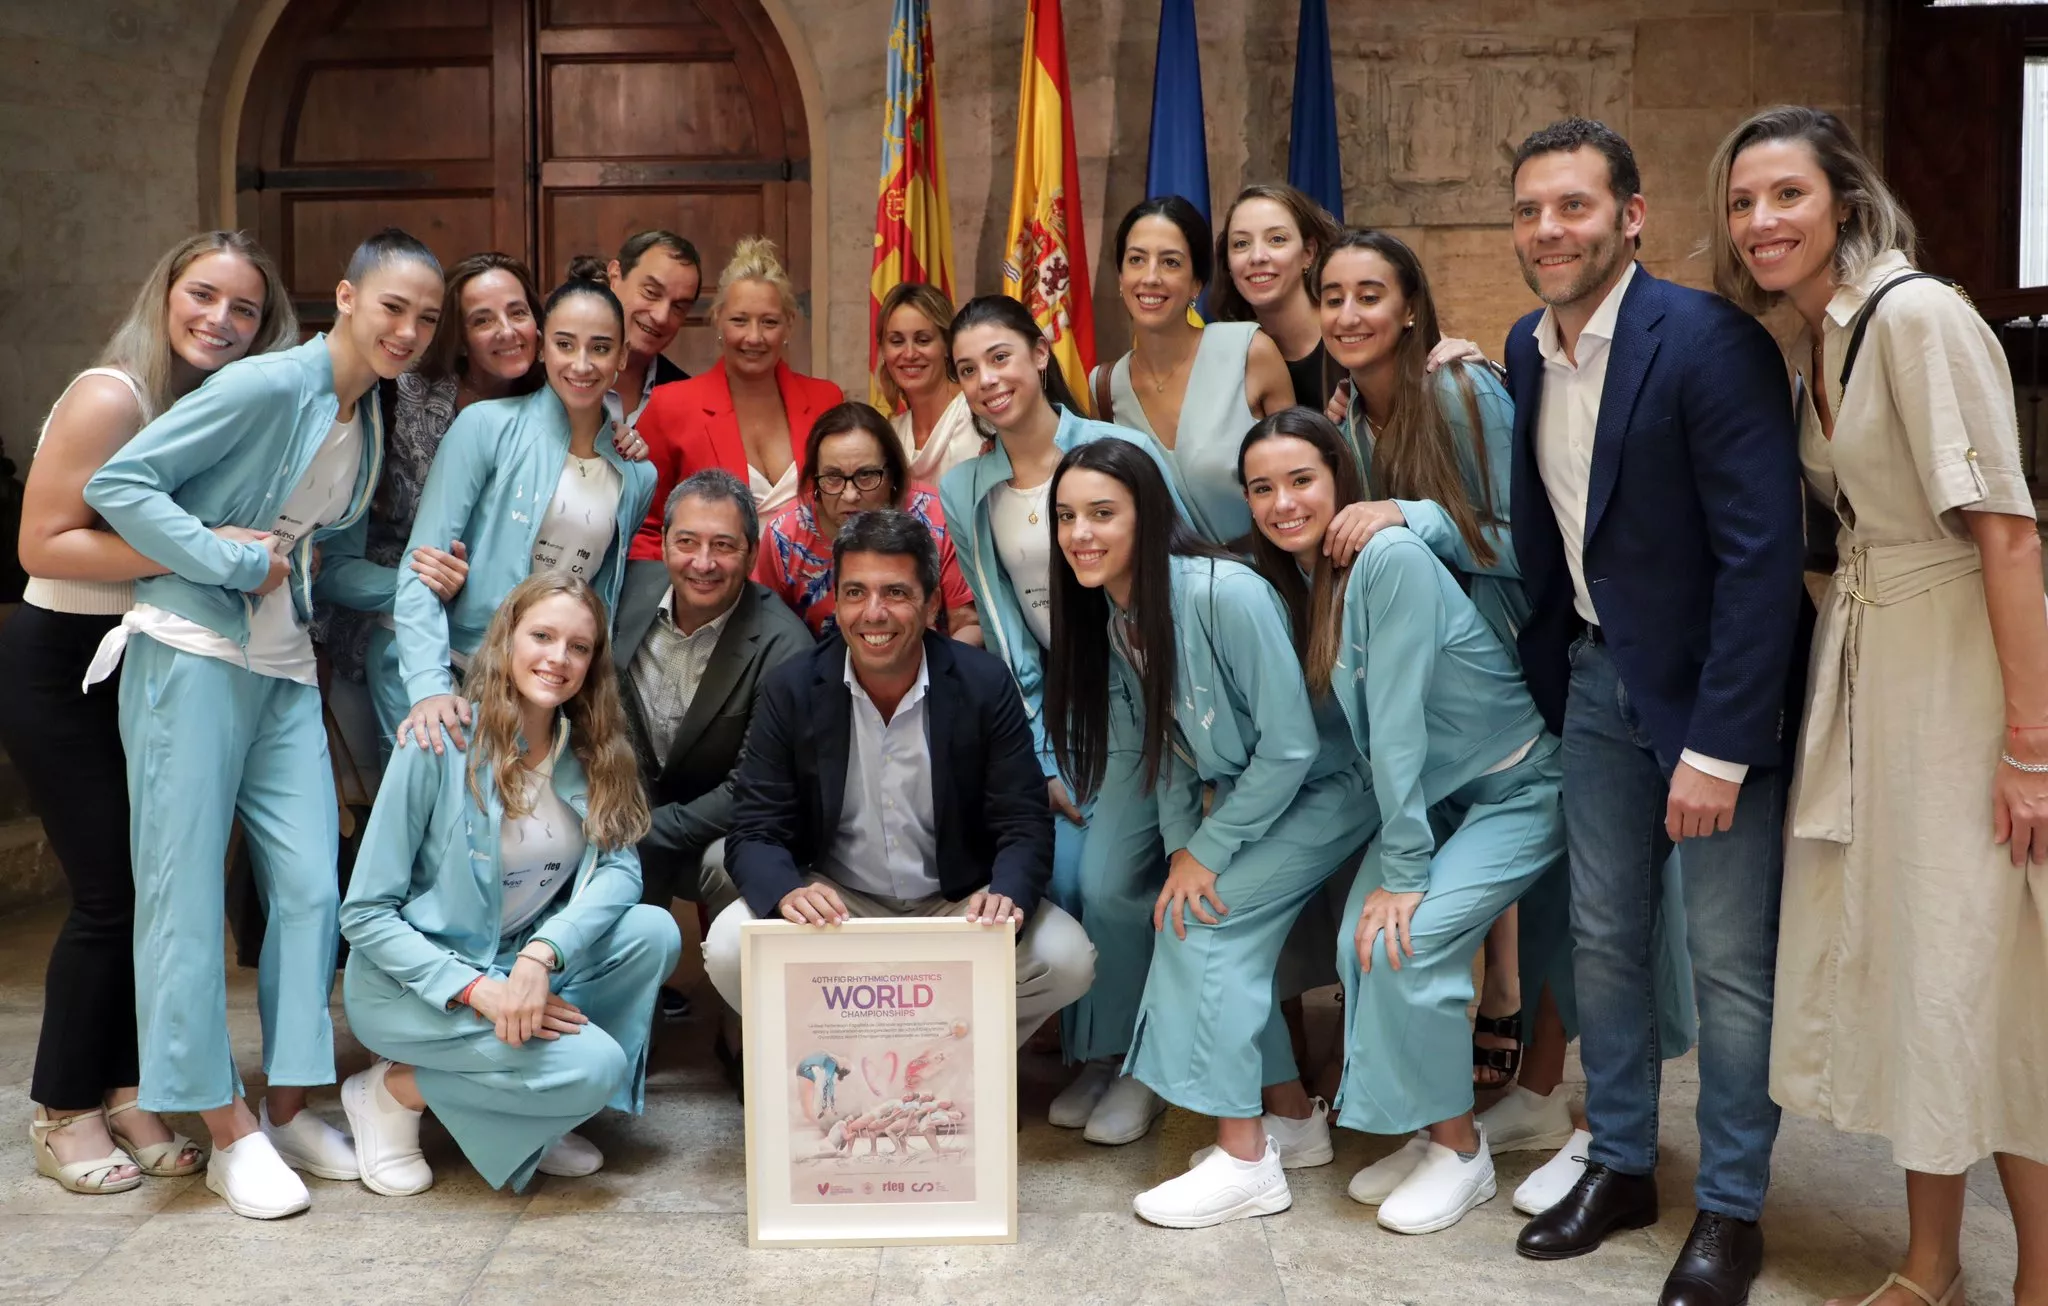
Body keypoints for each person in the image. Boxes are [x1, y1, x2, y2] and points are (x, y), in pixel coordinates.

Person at [1712, 106, 2048, 1306]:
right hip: (1875, 669)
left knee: (1982, 972)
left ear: (1843, 205)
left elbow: (2005, 533)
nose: (1759, 222)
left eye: (1785, 196)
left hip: (1958, 671)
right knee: (1918, 966)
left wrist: (2029, 750)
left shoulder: (1915, 316)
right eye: (1743, 202)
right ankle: (1927, 1262)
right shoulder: (1814, 337)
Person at [79, 227, 446, 1218]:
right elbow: (116, 487)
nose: (408, 328)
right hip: (189, 656)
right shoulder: (265, 384)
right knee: (185, 896)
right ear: (346, 298)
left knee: (308, 885)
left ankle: (285, 1100)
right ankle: (222, 1120)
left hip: (284, 666)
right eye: (393, 307)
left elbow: (316, 551)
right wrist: (228, 560)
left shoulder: (366, 415)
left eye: (425, 315)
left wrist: (414, 577)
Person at [1502, 118, 1807, 1306]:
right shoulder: (1531, 354)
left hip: (1712, 702)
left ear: (1628, 214)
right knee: (1602, 943)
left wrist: (1720, 747)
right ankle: (1620, 1163)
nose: (1547, 230)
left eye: (1572, 206)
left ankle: (1730, 1208)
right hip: (1590, 681)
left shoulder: (1707, 341)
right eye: (1529, 210)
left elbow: (1759, 558)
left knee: (1728, 965)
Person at [0, 231, 293, 1195]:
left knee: (158, 888)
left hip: (145, 661)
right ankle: (61, 1108)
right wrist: (198, 550)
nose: (220, 319)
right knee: (109, 895)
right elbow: (42, 544)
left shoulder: (208, 407)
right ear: (164, 294)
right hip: (60, 667)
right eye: (202, 296)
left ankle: (131, 1087)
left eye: (243, 309)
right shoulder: (112, 395)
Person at [1238, 408, 1566, 1233]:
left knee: (1405, 938)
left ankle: (1462, 1153)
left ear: (1342, 482)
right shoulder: (1313, 577)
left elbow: (1396, 726)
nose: (1283, 503)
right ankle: (1430, 1130)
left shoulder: (1387, 557)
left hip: (1521, 786)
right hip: (1446, 798)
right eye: (1262, 488)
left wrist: (1409, 874)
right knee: (1365, 939)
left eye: (1302, 480)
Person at [1043, 437, 1376, 1229]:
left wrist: (1205, 854)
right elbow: (1164, 754)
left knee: (1204, 929)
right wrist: (1181, 852)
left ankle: (1246, 1160)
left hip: (1331, 784)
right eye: (1064, 517)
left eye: (1101, 514)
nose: (1080, 533)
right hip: (1254, 792)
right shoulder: (1118, 611)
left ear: (1148, 516)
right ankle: (1290, 1121)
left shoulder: (1224, 592)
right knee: (1185, 908)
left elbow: (1294, 747)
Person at [702, 510, 1097, 1048]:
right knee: (728, 948)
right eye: (855, 593)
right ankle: (848, 1058)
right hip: (839, 904)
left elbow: (1023, 821)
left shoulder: (983, 685)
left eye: (895, 593)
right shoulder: (791, 689)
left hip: (956, 902)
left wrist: (1006, 896)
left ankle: (953, 1059)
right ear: (836, 601)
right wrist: (787, 894)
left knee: (1066, 960)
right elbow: (753, 828)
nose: (874, 613)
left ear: (933, 604)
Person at [339, 574, 681, 1195]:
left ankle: (540, 1103)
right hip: (416, 985)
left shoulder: (595, 749)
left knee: (652, 931)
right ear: (507, 640)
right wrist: (479, 991)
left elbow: (621, 869)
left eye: (578, 647)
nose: (558, 658)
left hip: (515, 960)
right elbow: (365, 914)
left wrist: (541, 953)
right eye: (542, 636)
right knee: (597, 1065)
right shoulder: (437, 741)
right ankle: (391, 1094)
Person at [939, 293, 1181, 1144]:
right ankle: (1094, 1056)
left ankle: (1142, 1065)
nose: (986, 380)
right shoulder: (965, 485)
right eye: (967, 369)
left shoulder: (1120, 452)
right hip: (1060, 716)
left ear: (1041, 355)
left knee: (1117, 887)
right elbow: (1008, 633)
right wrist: (1038, 752)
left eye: (1000, 356)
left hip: (1150, 705)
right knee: (1071, 880)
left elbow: (1180, 573)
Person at [394, 272, 657, 755]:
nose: (581, 364)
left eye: (600, 348)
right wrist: (429, 686)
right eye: (564, 344)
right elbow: (422, 568)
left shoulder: (637, 475)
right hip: (460, 680)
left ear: (622, 357)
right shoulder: (484, 428)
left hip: (554, 697)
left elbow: (600, 598)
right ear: (541, 348)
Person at [321, 252, 543, 748]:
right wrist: (427, 589)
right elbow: (331, 567)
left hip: (517, 651)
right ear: (458, 336)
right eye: (482, 319)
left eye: (518, 312)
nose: (507, 331)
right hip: (391, 638)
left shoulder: (556, 407)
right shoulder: (393, 401)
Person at [614, 470, 811, 1021]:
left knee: (734, 867)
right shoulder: (623, 593)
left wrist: (642, 830)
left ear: (750, 556)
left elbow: (753, 784)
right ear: (665, 543)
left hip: (717, 832)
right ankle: (614, 1012)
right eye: (688, 542)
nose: (703, 562)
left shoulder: (784, 644)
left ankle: (744, 1028)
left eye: (724, 546)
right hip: (621, 810)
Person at [1090, 196, 1294, 544]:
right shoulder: (1105, 386)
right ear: (1121, 278)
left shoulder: (1249, 351)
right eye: (1137, 260)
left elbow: (1300, 483)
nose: (1150, 277)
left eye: (1170, 262)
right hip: (1159, 591)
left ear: (1196, 284)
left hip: (1262, 582)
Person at [631, 237, 843, 555]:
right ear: (718, 321)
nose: (754, 337)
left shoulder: (826, 401)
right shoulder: (669, 406)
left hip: (816, 597)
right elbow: (644, 529)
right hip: (709, 593)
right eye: (739, 320)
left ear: (789, 325)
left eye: (769, 322)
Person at [754, 401, 978, 640]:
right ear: (815, 480)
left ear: (893, 475)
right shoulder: (785, 535)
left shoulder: (937, 517)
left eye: (867, 475)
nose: (850, 495)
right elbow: (765, 629)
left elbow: (968, 626)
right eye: (833, 477)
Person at [1210, 184, 1347, 408]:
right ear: (1228, 263)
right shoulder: (1227, 353)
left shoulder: (1350, 330)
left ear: (1308, 254)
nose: (1257, 257)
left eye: (1276, 239)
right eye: (1241, 244)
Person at [875, 282, 979, 482]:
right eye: (897, 342)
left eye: (923, 340)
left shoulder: (979, 415)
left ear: (948, 346)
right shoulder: (892, 434)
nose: (910, 354)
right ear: (883, 350)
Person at [604, 230, 702, 430]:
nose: (662, 316)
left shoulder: (687, 399)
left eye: (678, 307)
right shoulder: (557, 378)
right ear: (615, 276)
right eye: (651, 293)